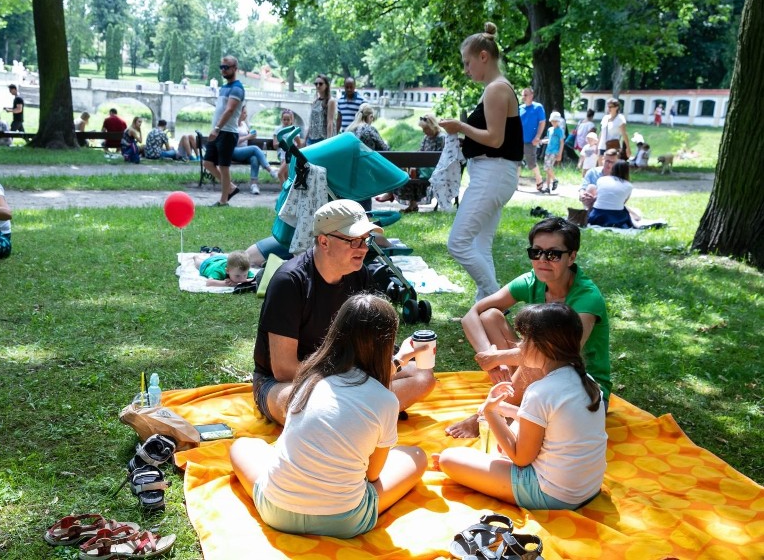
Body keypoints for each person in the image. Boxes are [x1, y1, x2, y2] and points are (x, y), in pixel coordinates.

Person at [232, 294, 428, 538]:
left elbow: (358, 380)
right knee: (416, 456)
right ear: (387, 343)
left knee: (242, 446)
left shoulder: (309, 377)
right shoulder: (386, 400)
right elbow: (373, 475)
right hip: (345, 521)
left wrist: (398, 361)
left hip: (275, 511)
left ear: (336, 332)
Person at [252, 199, 436, 426]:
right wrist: (349, 382)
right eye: (353, 241)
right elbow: (284, 370)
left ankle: (349, 414)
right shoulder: (289, 282)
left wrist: (395, 360)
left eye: (366, 239)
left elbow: (372, 345)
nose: (364, 248)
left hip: (348, 376)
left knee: (423, 377)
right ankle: (365, 410)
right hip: (291, 383)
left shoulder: (360, 275)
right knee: (297, 404)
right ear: (324, 241)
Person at [446, 216, 611, 438]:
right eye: (536, 252)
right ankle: (513, 400)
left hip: (583, 390)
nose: (543, 260)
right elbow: (472, 315)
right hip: (545, 375)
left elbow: (556, 354)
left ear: (571, 257)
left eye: (553, 254)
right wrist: (488, 354)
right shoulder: (532, 281)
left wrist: (499, 358)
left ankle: (490, 415)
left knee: (542, 354)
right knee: (490, 316)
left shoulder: (587, 299)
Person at [438, 302, 607, 511]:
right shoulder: (586, 381)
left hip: (552, 496)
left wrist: (491, 413)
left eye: (525, 340)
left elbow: (520, 458)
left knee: (449, 458)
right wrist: (507, 410)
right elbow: (554, 422)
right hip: (588, 489)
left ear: (548, 347)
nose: (518, 346)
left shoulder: (540, 391)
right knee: (513, 430)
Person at [439, 23, 523, 302]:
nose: (466, 69)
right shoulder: (496, 88)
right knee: (480, 245)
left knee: (458, 243)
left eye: (467, 62)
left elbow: (495, 139)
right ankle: (487, 308)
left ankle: (496, 299)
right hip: (493, 174)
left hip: (494, 173)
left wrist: (460, 127)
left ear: (483, 56)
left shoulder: (497, 89)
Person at [377, 114, 445, 213]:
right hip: (422, 169)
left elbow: (440, 158)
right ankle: (412, 204)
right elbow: (421, 152)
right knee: (408, 174)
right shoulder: (427, 137)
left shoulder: (441, 138)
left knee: (408, 174)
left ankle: (393, 193)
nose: (423, 131)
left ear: (432, 126)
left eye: (425, 129)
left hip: (432, 171)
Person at [205, 56, 245, 207]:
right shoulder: (224, 87)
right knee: (208, 163)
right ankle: (231, 188)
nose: (223, 70)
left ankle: (223, 200)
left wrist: (216, 129)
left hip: (227, 132)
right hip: (218, 131)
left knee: (223, 166)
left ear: (235, 68)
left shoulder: (237, 88)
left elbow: (229, 111)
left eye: (226, 67)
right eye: (221, 67)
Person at [232, 106, 278, 195]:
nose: (246, 115)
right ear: (238, 113)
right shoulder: (232, 125)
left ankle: (254, 185)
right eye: (244, 113)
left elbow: (248, 136)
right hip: (234, 151)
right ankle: (270, 170)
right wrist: (247, 137)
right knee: (255, 148)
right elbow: (233, 141)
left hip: (244, 152)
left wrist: (252, 135)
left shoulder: (244, 124)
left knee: (254, 158)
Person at [587, 161, 633, 228]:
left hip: (597, 215)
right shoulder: (628, 185)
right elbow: (623, 202)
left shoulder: (601, 179)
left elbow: (598, 196)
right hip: (617, 217)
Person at [518, 88, 545, 189]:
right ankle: (515, 184)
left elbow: (542, 122)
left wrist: (537, 136)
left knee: (531, 163)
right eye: (523, 95)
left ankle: (539, 180)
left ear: (531, 95)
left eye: (526, 95)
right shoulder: (520, 108)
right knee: (517, 162)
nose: (524, 97)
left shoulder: (538, 107)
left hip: (531, 140)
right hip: (519, 140)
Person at [306, 74, 336, 145]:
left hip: (323, 139)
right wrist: (305, 138)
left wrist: (328, 141)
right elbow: (311, 122)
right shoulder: (315, 101)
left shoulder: (330, 101)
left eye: (320, 83)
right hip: (311, 138)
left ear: (326, 85)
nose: (318, 86)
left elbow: (330, 122)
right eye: (316, 84)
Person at [273, 110, 303, 183]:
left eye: (288, 119)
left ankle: (284, 193)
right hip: (282, 155)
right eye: (284, 119)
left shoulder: (293, 130)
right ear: (281, 119)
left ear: (291, 120)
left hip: (291, 154)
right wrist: (282, 143)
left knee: (280, 174)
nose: (286, 121)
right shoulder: (278, 129)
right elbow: (274, 145)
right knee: (286, 176)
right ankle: (286, 193)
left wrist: (293, 149)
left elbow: (299, 145)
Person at [539, 111, 564, 194]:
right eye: (552, 121)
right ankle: (548, 187)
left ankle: (555, 180)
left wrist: (560, 153)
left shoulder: (559, 131)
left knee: (547, 168)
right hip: (548, 151)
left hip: (554, 152)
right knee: (548, 169)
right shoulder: (550, 130)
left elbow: (561, 142)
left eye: (555, 121)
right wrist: (542, 141)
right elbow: (549, 140)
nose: (554, 122)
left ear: (558, 121)